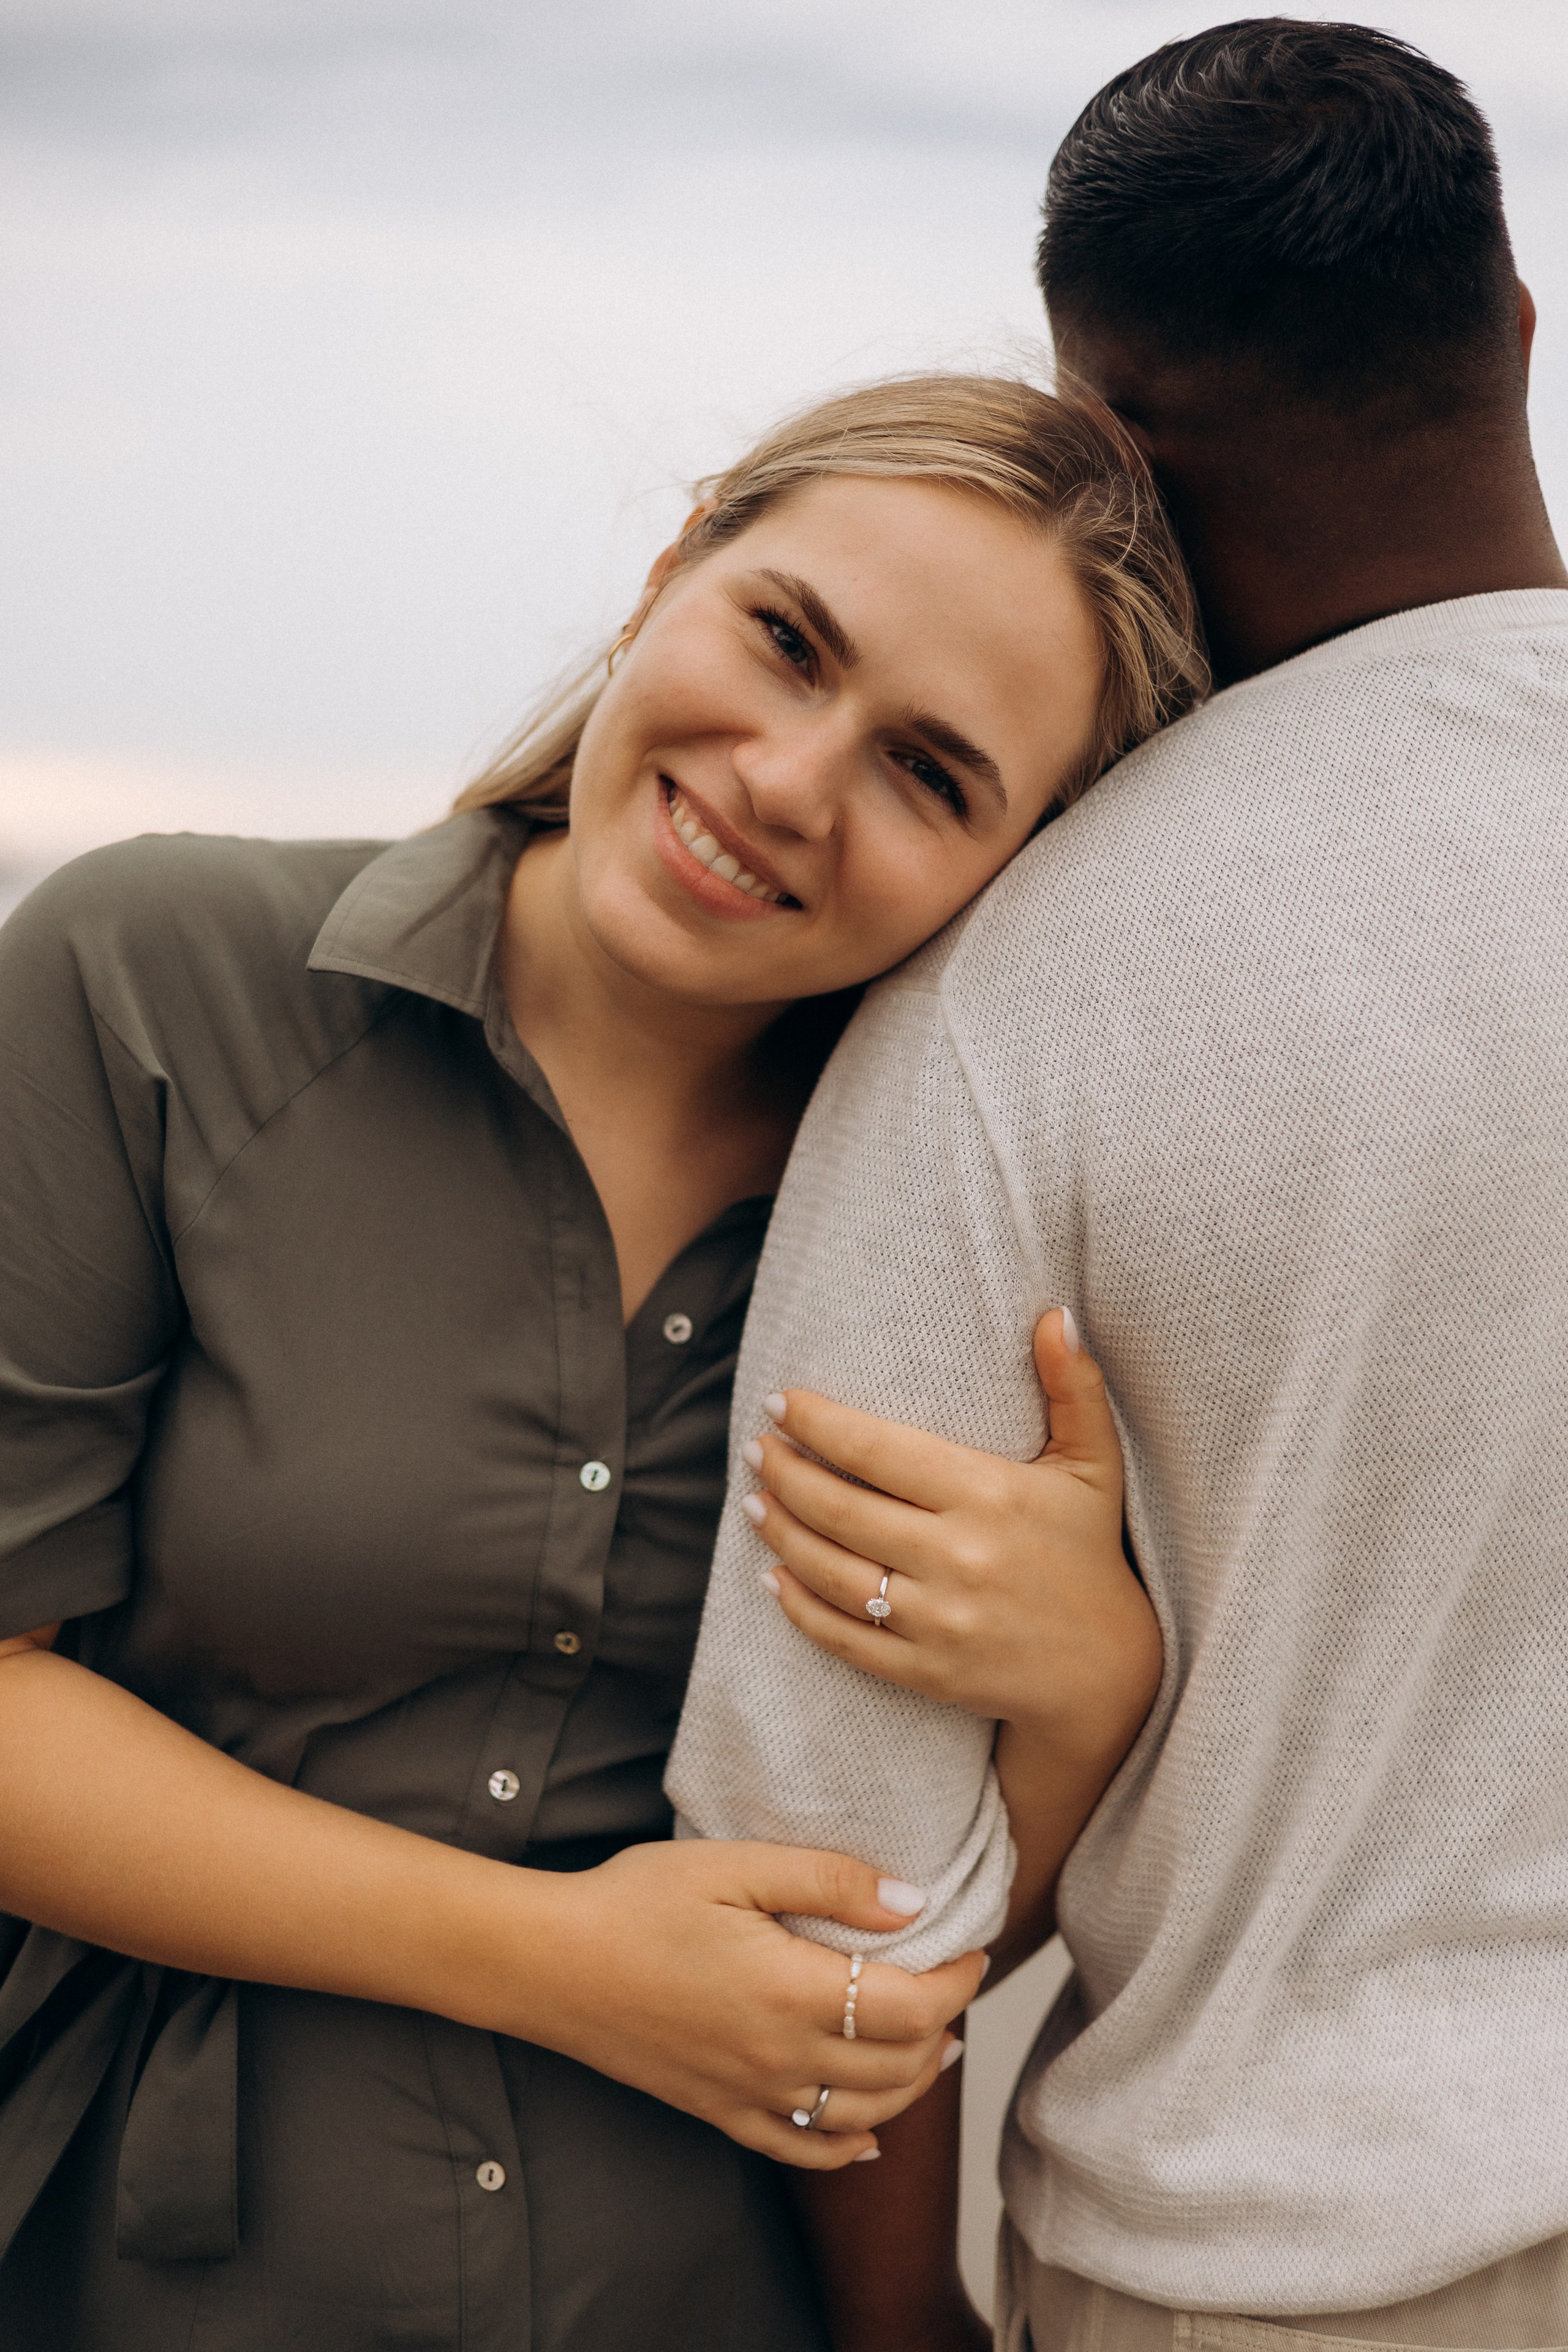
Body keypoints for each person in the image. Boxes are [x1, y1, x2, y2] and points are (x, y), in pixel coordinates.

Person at [0, 375, 1202, 2351]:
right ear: (668, 575)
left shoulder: (984, 1250)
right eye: (786, 642)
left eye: (931, 773)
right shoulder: (155, 977)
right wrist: (554, 1956)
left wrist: (1089, 1688)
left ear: (1024, 867)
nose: (792, 780)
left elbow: (902, 1962)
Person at [668, 20, 1568, 2349]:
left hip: (1289, 2270)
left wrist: (900, 2331)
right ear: (1522, 325)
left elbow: (827, 1882)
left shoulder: (1016, 991)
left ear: (1114, 441)